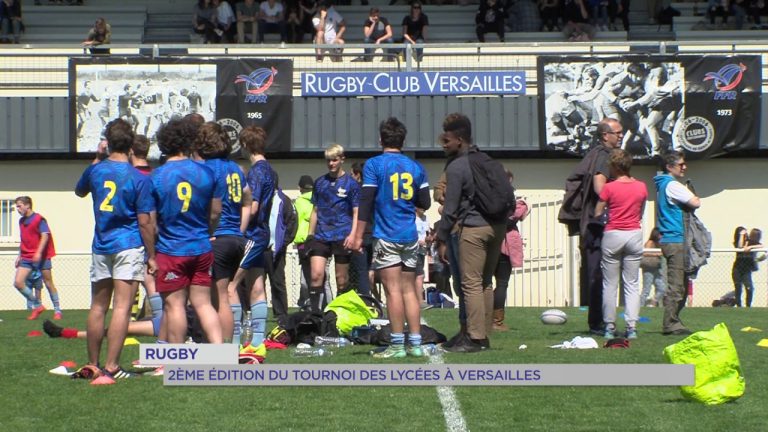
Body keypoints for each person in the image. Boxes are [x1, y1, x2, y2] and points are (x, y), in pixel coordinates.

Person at [74, 118, 155, 382]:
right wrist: (152, 254)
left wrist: (97, 158)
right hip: (128, 244)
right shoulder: (137, 177)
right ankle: (111, 367)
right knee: (122, 307)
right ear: (131, 144)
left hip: (101, 244)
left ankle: (92, 363)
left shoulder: (96, 171)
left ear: (107, 143)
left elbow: (79, 191)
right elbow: (144, 221)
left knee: (98, 306)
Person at [352, 117, 430, 358]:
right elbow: (425, 202)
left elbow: (365, 201)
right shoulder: (416, 167)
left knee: (392, 291)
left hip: (387, 234)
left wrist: (356, 235)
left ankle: (397, 344)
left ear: (380, 139)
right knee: (409, 290)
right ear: (403, 140)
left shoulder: (374, 165)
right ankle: (415, 343)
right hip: (409, 235)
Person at [436, 113, 505, 353]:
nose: (443, 145)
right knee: (485, 282)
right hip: (496, 227)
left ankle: (474, 338)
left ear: (459, 139)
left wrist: (441, 236)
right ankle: (480, 334)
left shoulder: (457, 166)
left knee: (471, 284)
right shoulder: (486, 160)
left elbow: (451, 208)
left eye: (446, 140)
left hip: (473, 229)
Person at [150, 118, 224, 344]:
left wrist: (152, 251)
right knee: (204, 303)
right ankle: (220, 351)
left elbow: (151, 222)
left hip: (172, 249)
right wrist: (206, 230)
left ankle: (177, 358)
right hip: (201, 245)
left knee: (175, 305)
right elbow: (215, 212)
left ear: (164, 144)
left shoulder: (156, 177)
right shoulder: (207, 172)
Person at [561, 118, 621, 335]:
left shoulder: (593, 154)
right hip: (598, 224)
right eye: (617, 132)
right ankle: (599, 323)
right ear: (605, 135)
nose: (621, 136)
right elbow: (599, 186)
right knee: (600, 274)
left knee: (598, 273)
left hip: (591, 224)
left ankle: (599, 321)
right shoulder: (604, 157)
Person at [196, 121, 251, 342]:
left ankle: (221, 350)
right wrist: (240, 229)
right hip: (235, 239)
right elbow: (248, 200)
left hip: (218, 238)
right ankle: (223, 347)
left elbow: (214, 210)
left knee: (217, 298)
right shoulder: (235, 169)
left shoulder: (207, 169)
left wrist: (208, 232)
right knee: (223, 295)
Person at [225, 126, 275, 347]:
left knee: (230, 286)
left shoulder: (256, 172)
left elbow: (252, 207)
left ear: (245, 145)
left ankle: (235, 340)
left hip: (252, 235)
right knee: (257, 286)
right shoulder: (270, 170)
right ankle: (256, 341)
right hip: (263, 234)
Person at [594, 149, 647, 339]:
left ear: (615, 166)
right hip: (634, 233)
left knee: (610, 284)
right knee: (632, 283)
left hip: (613, 234)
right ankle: (631, 327)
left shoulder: (609, 187)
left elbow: (598, 212)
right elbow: (641, 212)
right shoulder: (641, 186)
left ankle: (609, 326)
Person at [306, 144, 360, 314]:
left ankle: (338, 314)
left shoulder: (351, 184)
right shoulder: (320, 183)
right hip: (321, 235)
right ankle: (316, 314)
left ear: (342, 160)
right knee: (316, 275)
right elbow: (315, 210)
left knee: (341, 279)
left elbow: (356, 211)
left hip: (342, 235)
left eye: (334, 160)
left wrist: (353, 235)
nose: (331, 164)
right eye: (328, 160)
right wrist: (310, 235)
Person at [654, 150, 701, 335]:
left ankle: (675, 321)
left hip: (672, 239)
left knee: (680, 282)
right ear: (669, 166)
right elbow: (695, 202)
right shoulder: (672, 185)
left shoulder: (664, 184)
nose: (684, 167)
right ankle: (670, 323)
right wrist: (692, 195)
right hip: (675, 239)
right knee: (677, 285)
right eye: (681, 164)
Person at [128, 134, 163, 324]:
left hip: (136, 232)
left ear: (131, 150)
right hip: (160, 233)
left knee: (136, 278)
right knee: (151, 277)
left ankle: (134, 320)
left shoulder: (128, 175)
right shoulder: (156, 174)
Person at [13, 196, 63, 321]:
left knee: (48, 282)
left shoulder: (39, 219)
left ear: (27, 205)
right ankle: (38, 305)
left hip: (42, 256)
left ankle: (57, 310)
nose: (17, 209)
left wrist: (39, 253)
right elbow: (24, 239)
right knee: (18, 283)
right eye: (17, 206)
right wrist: (19, 255)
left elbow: (45, 236)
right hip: (26, 256)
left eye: (19, 206)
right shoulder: (21, 221)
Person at [493, 174, 529, 331]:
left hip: (488, 245)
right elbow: (516, 215)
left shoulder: (486, 201)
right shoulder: (513, 204)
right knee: (501, 284)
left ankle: (485, 319)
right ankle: (497, 321)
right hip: (503, 248)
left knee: (484, 284)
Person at [293, 174, 314, 309]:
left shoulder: (298, 202)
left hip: (303, 243)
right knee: (322, 277)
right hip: (319, 242)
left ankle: (307, 303)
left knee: (305, 278)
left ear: (300, 188)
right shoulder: (318, 200)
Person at [732, 227, 763, 307]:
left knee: (749, 288)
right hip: (737, 268)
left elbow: (762, 246)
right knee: (738, 287)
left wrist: (750, 247)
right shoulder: (744, 241)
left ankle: (748, 305)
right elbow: (740, 246)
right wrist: (742, 235)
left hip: (747, 269)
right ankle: (739, 305)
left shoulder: (753, 243)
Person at [640, 227, 665, 307]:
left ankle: (653, 302)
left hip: (657, 267)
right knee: (646, 289)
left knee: (662, 288)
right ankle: (640, 306)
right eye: (660, 234)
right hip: (648, 268)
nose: (661, 236)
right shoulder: (650, 243)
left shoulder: (659, 244)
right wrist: (656, 254)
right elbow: (645, 253)